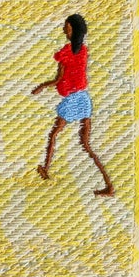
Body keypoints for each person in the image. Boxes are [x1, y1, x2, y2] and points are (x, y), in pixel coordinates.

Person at [33, 12, 113, 196]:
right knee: (86, 144)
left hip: (71, 100)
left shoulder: (66, 52)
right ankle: (109, 185)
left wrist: (41, 86)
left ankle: (46, 168)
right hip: (84, 99)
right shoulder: (83, 50)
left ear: (74, 31)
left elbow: (58, 79)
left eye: (67, 28)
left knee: (54, 134)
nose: (64, 30)